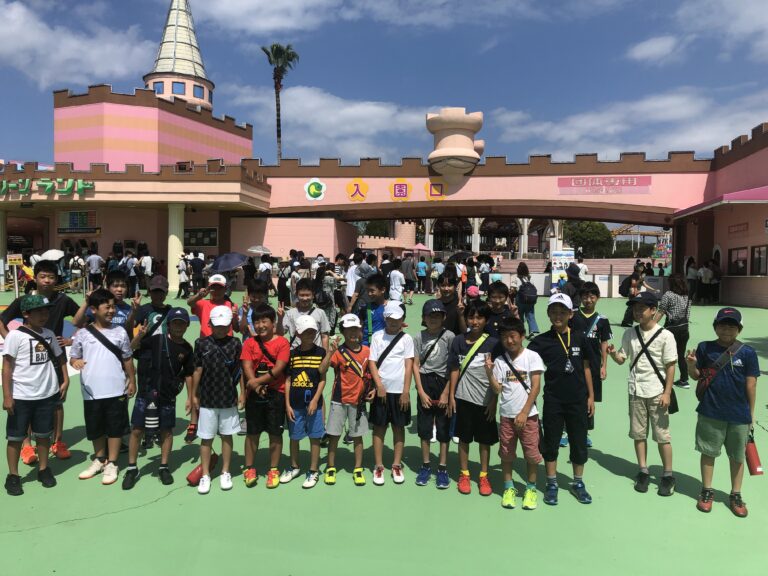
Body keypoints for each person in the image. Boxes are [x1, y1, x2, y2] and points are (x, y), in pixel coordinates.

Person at [0, 260, 86, 463]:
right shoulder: (24, 301)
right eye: (43, 276)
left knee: (58, 401)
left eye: (51, 277)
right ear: (35, 278)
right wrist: (11, 339)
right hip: (28, 360)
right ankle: (27, 446)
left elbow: (83, 320)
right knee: (28, 400)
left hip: (55, 357)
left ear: (57, 279)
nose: (47, 280)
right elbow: (2, 320)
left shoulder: (63, 300)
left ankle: (58, 441)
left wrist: (71, 340)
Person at [686, 307, 759, 517]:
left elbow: (751, 385)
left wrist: (751, 415)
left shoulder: (748, 353)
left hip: (739, 415)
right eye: (722, 325)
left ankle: (736, 494)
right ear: (715, 327)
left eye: (732, 325)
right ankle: (706, 490)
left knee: (737, 457)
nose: (727, 329)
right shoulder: (705, 348)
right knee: (708, 453)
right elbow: (696, 376)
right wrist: (691, 365)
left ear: (739, 329)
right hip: (710, 411)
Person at [528, 293, 595, 505]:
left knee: (578, 442)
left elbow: (586, 367)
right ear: (548, 314)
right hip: (553, 400)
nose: (558, 316)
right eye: (554, 312)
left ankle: (578, 483)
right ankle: (551, 483)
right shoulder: (541, 342)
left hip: (578, 399)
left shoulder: (580, 338)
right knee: (551, 442)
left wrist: (591, 396)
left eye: (562, 312)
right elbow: (523, 360)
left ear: (570, 314)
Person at [608, 292, 677, 496]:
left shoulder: (665, 335)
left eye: (642, 308)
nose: (637, 312)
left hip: (657, 392)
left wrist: (667, 393)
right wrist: (613, 354)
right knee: (638, 434)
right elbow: (622, 358)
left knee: (662, 436)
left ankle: (668, 474)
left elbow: (670, 366)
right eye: (634, 308)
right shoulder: (629, 333)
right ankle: (643, 470)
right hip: (636, 390)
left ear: (653, 310)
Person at [2, 295, 69, 495]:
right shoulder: (15, 336)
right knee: (15, 437)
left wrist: (66, 379)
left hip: (46, 395)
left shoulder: (49, 334)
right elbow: (7, 367)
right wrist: (7, 396)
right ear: (26, 314)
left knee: (43, 435)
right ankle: (13, 475)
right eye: (39, 311)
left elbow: (60, 357)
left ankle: (43, 469)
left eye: (46, 311)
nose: (44, 315)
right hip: (21, 396)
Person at [122, 307, 194, 490]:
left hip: (168, 395)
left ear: (187, 326)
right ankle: (132, 468)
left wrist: (190, 397)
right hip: (147, 392)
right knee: (137, 430)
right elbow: (131, 348)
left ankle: (163, 466)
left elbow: (188, 373)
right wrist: (140, 335)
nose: (178, 327)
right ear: (168, 325)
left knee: (166, 431)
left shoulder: (187, 349)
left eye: (182, 324)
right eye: (175, 323)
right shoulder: (157, 339)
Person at [70, 289, 136, 486]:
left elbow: (127, 358)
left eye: (113, 307)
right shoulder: (83, 334)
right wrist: (76, 362)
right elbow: (74, 356)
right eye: (107, 307)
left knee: (115, 427)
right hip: (91, 391)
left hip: (116, 389)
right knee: (95, 426)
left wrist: (132, 380)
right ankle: (99, 459)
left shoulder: (120, 332)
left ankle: (112, 463)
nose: (111, 311)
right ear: (93, 309)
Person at [485, 317, 544, 510]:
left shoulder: (532, 357)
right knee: (507, 454)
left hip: (529, 416)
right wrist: (489, 373)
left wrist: (524, 412)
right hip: (506, 416)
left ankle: (531, 489)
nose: (509, 341)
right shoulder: (500, 361)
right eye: (504, 337)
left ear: (522, 336)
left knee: (531, 455)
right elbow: (497, 389)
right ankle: (508, 488)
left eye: (512, 336)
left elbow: (536, 387)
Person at [189, 306, 242, 494]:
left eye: (224, 325)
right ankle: (205, 474)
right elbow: (197, 370)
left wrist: (242, 393)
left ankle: (225, 472)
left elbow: (240, 371)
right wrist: (193, 394)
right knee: (206, 438)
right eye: (217, 325)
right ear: (210, 324)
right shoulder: (201, 343)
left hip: (228, 398)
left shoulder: (235, 343)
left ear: (230, 325)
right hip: (207, 399)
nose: (221, 329)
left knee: (227, 436)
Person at [448, 300, 499, 495]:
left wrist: (494, 401)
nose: (475, 321)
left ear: (486, 320)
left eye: (479, 318)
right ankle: (464, 474)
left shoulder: (494, 344)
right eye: (471, 317)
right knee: (463, 439)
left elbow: (497, 375)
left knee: (484, 442)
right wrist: (452, 395)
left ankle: (484, 476)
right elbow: (454, 369)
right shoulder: (458, 341)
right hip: (463, 399)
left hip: (485, 402)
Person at [240, 304, 290, 489]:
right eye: (257, 322)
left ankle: (273, 469)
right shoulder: (249, 343)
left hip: (276, 394)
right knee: (252, 433)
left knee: (275, 433)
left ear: (273, 322)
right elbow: (246, 366)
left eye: (264, 321)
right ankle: (249, 468)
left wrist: (255, 382)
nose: (260, 325)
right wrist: (255, 385)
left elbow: (279, 369)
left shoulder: (282, 342)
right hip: (254, 394)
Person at [368, 301, 415, 485]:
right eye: (390, 319)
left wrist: (406, 391)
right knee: (379, 428)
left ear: (403, 319)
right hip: (381, 392)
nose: (393, 322)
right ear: (385, 318)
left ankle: (396, 464)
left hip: (399, 391)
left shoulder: (407, 339)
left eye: (397, 319)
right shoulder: (377, 336)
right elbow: (372, 362)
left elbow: (409, 365)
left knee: (398, 428)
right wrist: (379, 385)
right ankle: (378, 465)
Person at [322, 314, 372, 486]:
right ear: (342, 332)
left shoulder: (367, 351)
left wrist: (372, 390)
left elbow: (371, 374)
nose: (353, 333)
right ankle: (330, 467)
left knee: (357, 437)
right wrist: (330, 352)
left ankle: (358, 469)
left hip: (358, 402)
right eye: (349, 330)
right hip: (339, 400)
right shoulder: (338, 352)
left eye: (355, 329)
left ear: (360, 330)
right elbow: (322, 369)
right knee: (334, 436)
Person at [413, 300, 455, 489]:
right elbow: (415, 365)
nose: (434, 319)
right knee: (424, 426)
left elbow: (453, 366)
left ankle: (443, 467)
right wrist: (420, 391)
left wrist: (447, 392)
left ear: (443, 318)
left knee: (444, 427)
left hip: (443, 382)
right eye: (430, 316)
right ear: (424, 318)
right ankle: (425, 465)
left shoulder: (449, 336)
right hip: (425, 381)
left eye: (438, 316)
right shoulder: (418, 337)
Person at [281, 316, 327, 489]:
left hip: (314, 405)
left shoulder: (321, 353)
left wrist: (315, 400)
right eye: (306, 332)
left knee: (315, 438)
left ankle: (313, 470)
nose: (310, 335)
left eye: (312, 332)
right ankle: (294, 466)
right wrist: (287, 404)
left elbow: (322, 379)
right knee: (294, 437)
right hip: (295, 404)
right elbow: (288, 381)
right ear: (298, 334)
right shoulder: (292, 354)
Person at [570, 282, 611, 447]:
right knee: (570, 395)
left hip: (593, 365)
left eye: (592, 297)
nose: (588, 300)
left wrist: (604, 366)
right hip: (574, 362)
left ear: (598, 298)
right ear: (580, 298)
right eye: (585, 297)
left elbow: (604, 343)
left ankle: (585, 432)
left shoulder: (602, 320)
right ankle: (566, 429)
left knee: (589, 397)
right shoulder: (572, 316)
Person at [657, 273, 692, 389]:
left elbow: (661, 311)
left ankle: (664, 378)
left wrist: (651, 325)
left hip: (671, 329)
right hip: (684, 328)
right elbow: (687, 314)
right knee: (681, 355)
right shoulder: (687, 296)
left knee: (664, 354)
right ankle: (684, 380)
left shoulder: (668, 295)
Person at [278, 278, 330, 351]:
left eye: (308, 295)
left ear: (313, 295)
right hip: (296, 353)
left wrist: (325, 354)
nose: (305, 298)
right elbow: (280, 333)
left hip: (315, 354)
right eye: (302, 295)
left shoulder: (320, 313)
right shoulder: (290, 313)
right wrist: (280, 319)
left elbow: (324, 336)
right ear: (296, 295)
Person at [359, 273, 389, 346]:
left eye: (372, 291)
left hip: (385, 346)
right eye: (367, 290)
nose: (369, 294)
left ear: (383, 290)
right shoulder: (365, 309)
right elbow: (360, 330)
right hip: (367, 346)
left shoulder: (392, 308)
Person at [513, 262, 539, 339]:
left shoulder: (517, 278)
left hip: (520, 300)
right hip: (530, 300)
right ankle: (532, 331)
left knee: (520, 315)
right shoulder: (530, 278)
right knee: (530, 315)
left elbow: (514, 289)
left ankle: (521, 332)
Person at [436, 272, 466, 336]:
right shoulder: (434, 305)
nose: (446, 289)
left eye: (449, 285)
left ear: (455, 286)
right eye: (443, 285)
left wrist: (461, 315)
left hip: (455, 340)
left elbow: (464, 331)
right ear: (438, 286)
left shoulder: (461, 305)